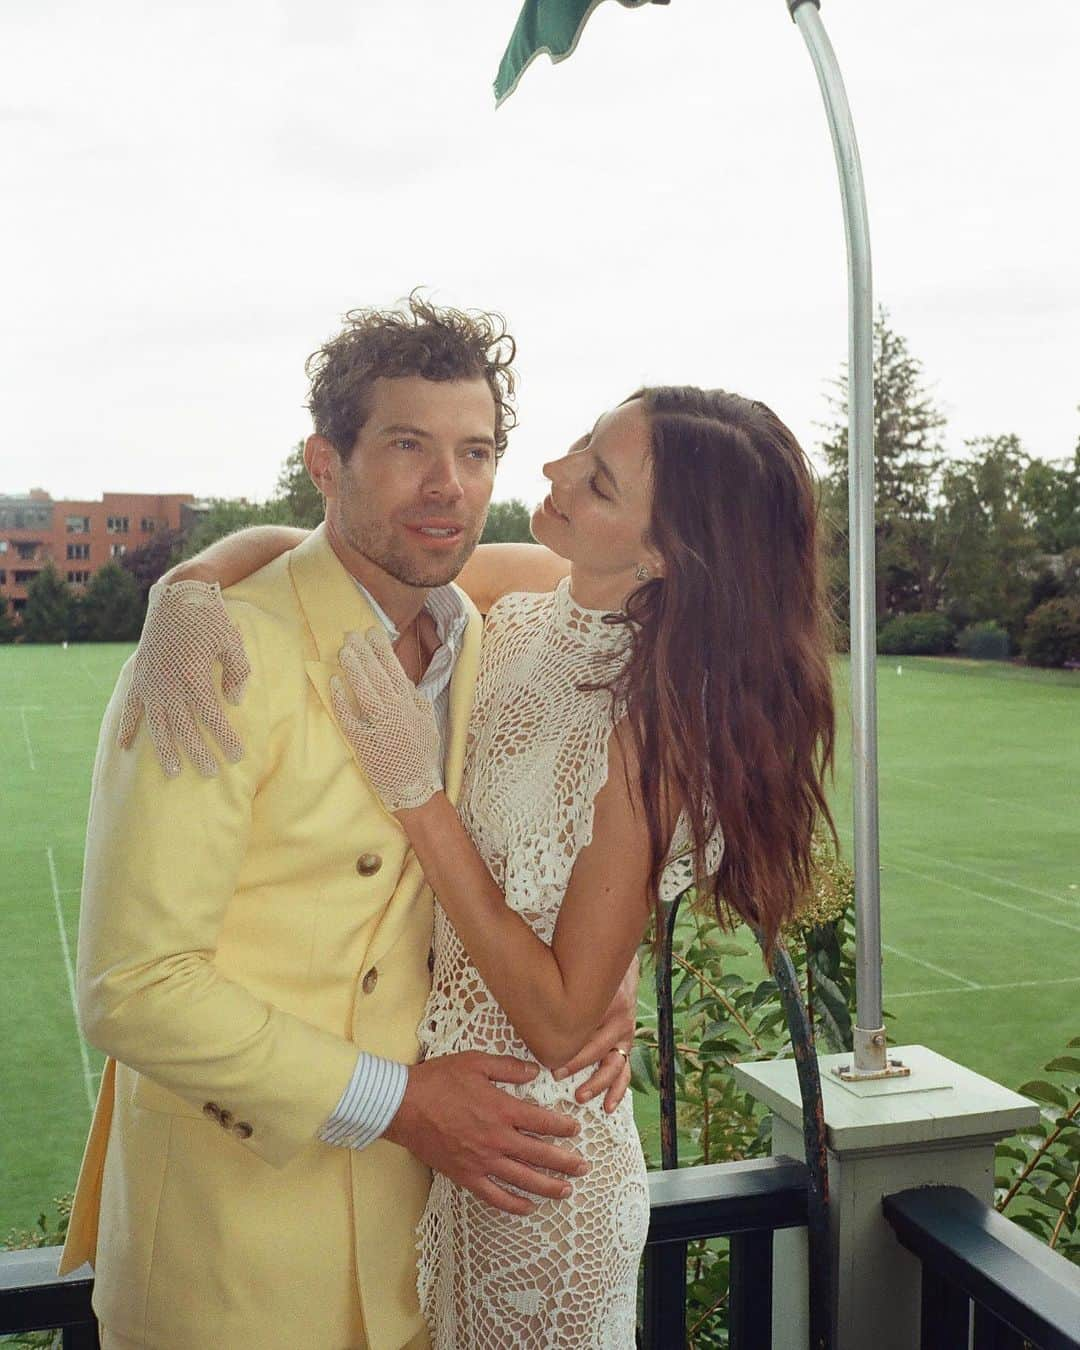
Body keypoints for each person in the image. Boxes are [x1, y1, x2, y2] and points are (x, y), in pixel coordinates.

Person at [119, 383, 838, 1346]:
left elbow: (558, 1021)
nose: (553, 471)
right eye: (579, 444)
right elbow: (322, 546)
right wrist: (187, 586)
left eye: (599, 479)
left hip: (535, 1162)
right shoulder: (521, 592)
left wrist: (421, 798)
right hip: (435, 1157)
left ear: (663, 552)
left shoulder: (650, 729)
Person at [58, 296, 638, 1350]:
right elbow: (131, 987)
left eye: (476, 451)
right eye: (408, 447)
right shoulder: (213, 656)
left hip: (422, 1256)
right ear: (327, 462)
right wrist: (405, 1103)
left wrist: (609, 963)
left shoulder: (495, 632)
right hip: (227, 1264)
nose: (447, 487)